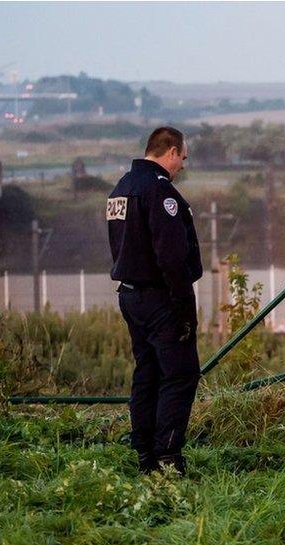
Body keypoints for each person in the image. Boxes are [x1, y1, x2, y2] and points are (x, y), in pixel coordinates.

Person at [106, 126, 203, 475]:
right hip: (161, 299)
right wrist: (186, 312)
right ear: (171, 152)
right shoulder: (161, 193)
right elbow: (172, 259)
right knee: (180, 374)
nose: (182, 167)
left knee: (146, 373)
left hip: (130, 296)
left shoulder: (121, 189)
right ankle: (168, 457)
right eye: (183, 159)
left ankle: (145, 456)